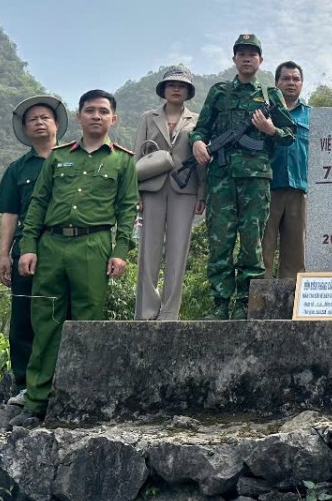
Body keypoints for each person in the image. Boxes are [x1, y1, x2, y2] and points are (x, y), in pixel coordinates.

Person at [16, 90, 138, 420]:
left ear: (114, 119)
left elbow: (127, 209)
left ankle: (84, 400)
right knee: (46, 321)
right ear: (79, 116)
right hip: (52, 245)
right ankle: (37, 401)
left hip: (93, 244)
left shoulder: (123, 160)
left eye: (103, 111)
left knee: (88, 322)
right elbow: (38, 203)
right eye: (89, 110)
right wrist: (28, 246)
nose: (96, 116)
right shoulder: (57, 157)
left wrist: (121, 250)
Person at [191, 34, 296, 319]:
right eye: (242, 53)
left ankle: (243, 304)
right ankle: (220, 304)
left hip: (256, 179)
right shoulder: (219, 92)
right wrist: (198, 143)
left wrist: (270, 130)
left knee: (252, 242)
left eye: (252, 53)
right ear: (234, 59)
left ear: (260, 60)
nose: (247, 58)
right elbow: (200, 129)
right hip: (221, 178)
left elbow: (291, 135)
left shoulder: (270, 96)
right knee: (220, 241)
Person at [0, 95, 68, 405]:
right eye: (32, 118)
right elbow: (9, 213)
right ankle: (24, 383)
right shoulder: (17, 168)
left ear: (57, 124)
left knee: (62, 313)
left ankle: (61, 378)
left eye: (44, 117)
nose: (38, 122)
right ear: (24, 127)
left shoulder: (73, 159)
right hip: (26, 250)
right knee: (23, 316)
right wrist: (3, 254)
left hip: (65, 247)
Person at [133, 66, 206, 320]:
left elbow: (201, 160)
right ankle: (146, 311)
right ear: (163, 89)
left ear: (188, 91)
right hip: (151, 188)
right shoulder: (148, 117)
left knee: (178, 250)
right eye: (171, 84)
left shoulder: (197, 120)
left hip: (185, 189)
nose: (176, 88)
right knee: (148, 250)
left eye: (182, 85)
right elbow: (138, 155)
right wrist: (135, 193)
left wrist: (202, 195)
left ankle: (169, 313)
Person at [263, 60, 311, 279]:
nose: (291, 83)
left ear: (301, 84)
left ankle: (291, 306)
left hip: (300, 188)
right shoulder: (263, 114)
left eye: (296, 79)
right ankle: (260, 305)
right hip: (267, 187)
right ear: (276, 83)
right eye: (286, 78)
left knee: (296, 254)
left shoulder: (312, 116)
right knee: (263, 249)